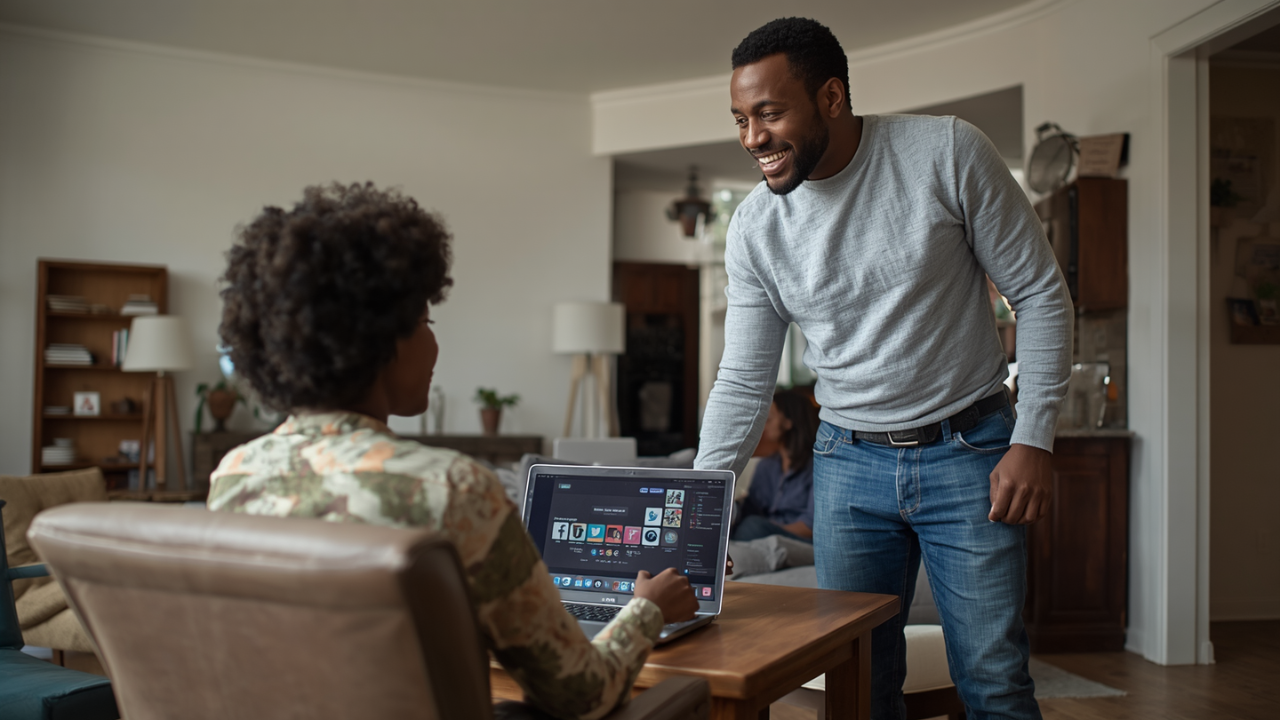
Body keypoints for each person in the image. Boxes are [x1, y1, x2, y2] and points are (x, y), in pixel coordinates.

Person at [694, 18, 1072, 720]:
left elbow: (1042, 294)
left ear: (831, 97)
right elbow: (744, 379)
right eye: (741, 119)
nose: (752, 138)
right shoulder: (753, 227)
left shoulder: (946, 153)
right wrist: (703, 509)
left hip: (972, 451)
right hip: (845, 464)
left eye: (770, 113)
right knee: (860, 684)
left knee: (993, 680)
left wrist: (1034, 439)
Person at [209, 182, 699, 720]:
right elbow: (583, 694)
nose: (434, 344)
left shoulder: (236, 475)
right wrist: (646, 610)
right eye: (425, 322)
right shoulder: (452, 488)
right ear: (383, 341)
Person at [732, 389, 818, 543]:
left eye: (769, 418)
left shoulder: (816, 467)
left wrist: (769, 529)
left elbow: (810, 526)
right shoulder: (766, 466)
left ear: (788, 421)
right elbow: (750, 509)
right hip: (766, 532)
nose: (763, 425)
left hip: (799, 539)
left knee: (752, 527)